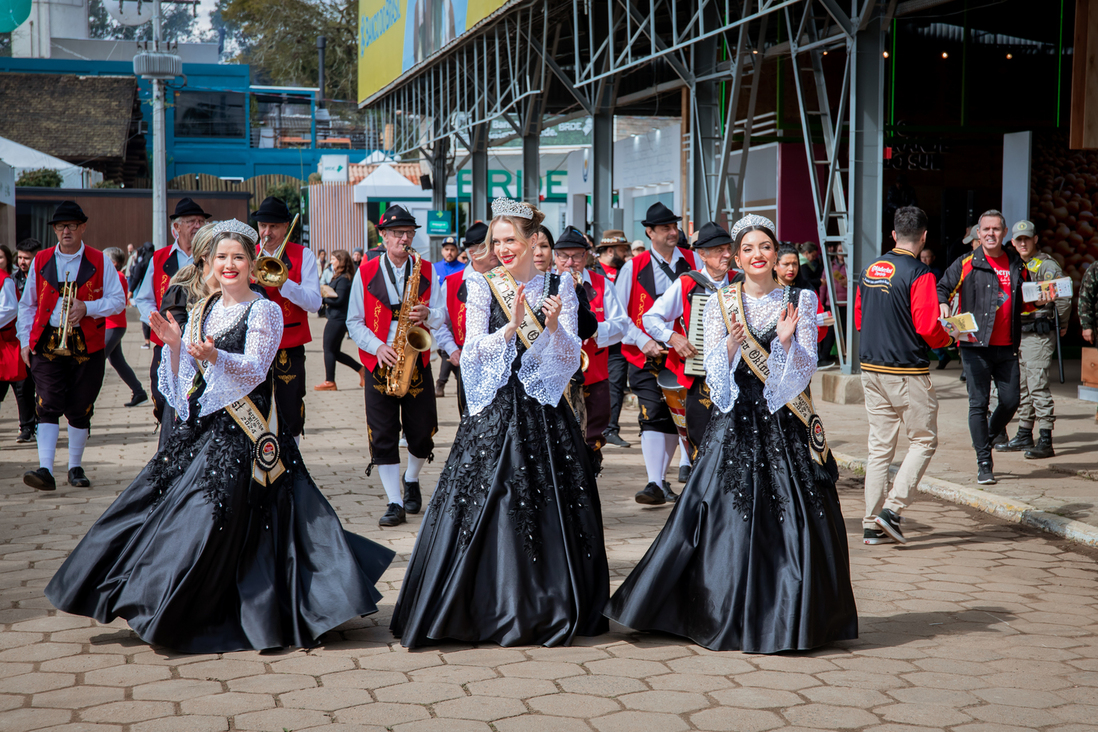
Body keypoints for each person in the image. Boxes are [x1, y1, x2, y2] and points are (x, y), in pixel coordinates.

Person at [43, 220, 394, 653]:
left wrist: (215, 355)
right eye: (221, 257)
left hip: (248, 437)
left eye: (238, 257)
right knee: (154, 506)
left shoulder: (263, 309)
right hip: (203, 429)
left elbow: (254, 369)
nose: (229, 265)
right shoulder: (202, 309)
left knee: (212, 517)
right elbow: (184, 384)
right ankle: (145, 597)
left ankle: (212, 608)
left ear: (252, 265)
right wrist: (174, 346)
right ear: (208, 262)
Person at [606, 213, 857, 653]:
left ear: (775, 252)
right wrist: (731, 346)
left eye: (764, 247)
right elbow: (713, 373)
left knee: (795, 512)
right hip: (737, 417)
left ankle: (792, 611)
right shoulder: (722, 300)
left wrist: (783, 343)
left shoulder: (800, 297)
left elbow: (804, 371)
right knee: (723, 511)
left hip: (785, 421)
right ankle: (717, 607)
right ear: (736, 257)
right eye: (748, 249)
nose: (757, 255)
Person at [390, 197, 609, 648]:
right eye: (497, 240)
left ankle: (548, 602)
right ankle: (478, 601)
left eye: (512, 240)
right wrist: (508, 329)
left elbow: (568, 360)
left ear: (533, 242)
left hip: (545, 411)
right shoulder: (481, 282)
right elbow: (471, 353)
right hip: (494, 408)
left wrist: (550, 329)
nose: (503, 248)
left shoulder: (559, 285)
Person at [855, 207, 952, 545]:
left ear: (893, 234)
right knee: (924, 440)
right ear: (923, 236)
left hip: (870, 368)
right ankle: (892, 511)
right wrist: (948, 336)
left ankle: (870, 524)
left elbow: (859, 317)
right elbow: (927, 327)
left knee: (879, 448)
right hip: (905, 371)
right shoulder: (920, 273)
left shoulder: (869, 269)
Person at [17, 201, 126, 490]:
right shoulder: (40, 260)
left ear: (83, 228)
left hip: (86, 343)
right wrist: (25, 341)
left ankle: (75, 467)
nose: (66, 231)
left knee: (80, 406)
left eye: (72, 225)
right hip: (46, 340)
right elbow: (27, 304)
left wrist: (87, 307)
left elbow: (117, 300)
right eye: (61, 226)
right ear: (54, 230)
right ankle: (45, 469)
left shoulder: (99, 260)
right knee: (48, 403)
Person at [347, 205, 444, 528]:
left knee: (421, 433)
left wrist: (429, 315)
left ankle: (412, 478)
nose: (405, 239)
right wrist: (378, 347)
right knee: (383, 434)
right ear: (384, 237)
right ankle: (394, 501)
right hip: (380, 360)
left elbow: (442, 314)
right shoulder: (365, 271)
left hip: (416, 359)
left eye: (410, 234)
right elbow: (354, 322)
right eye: (398, 234)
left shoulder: (426, 269)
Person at [938, 210, 1030, 485]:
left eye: (996, 229)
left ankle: (986, 438)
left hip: (1008, 346)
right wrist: (943, 304)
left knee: (1011, 400)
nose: (991, 233)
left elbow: (1027, 299)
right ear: (978, 234)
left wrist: (1043, 299)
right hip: (975, 346)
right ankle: (984, 462)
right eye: (986, 229)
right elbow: (943, 287)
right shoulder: (966, 262)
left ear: (1005, 234)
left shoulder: (1017, 263)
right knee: (978, 403)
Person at [640, 221, 733, 493]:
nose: (726, 255)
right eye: (718, 250)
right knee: (701, 443)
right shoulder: (688, 284)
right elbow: (651, 317)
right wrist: (673, 337)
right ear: (701, 255)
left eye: (728, 248)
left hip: (737, 377)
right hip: (700, 378)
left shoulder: (741, 281)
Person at [615, 202, 698, 504]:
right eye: (665, 228)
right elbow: (619, 315)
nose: (672, 232)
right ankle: (654, 482)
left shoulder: (693, 260)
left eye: (674, 227)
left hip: (686, 352)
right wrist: (641, 340)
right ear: (649, 232)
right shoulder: (632, 268)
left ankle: (666, 479)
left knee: (681, 414)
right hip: (645, 354)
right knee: (652, 413)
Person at [995, 220, 1072, 459]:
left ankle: (1046, 439)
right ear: (1013, 242)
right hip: (1018, 333)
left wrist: (1062, 322)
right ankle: (1024, 434)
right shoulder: (1014, 264)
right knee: (1023, 387)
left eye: (1027, 238)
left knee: (1037, 385)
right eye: (1018, 240)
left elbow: (1063, 295)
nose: (1023, 243)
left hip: (1038, 333)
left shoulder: (1046, 265)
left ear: (1035, 239)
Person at [554, 226, 628, 464]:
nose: (570, 262)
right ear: (555, 257)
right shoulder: (545, 284)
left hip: (594, 373)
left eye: (576, 255)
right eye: (564, 256)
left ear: (586, 256)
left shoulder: (602, 284)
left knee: (593, 435)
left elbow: (621, 324)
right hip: (557, 375)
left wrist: (595, 330)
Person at [135, 198, 210, 426]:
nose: (197, 226)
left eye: (201, 221)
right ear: (176, 228)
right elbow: (144, 298)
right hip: (167, 340)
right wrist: (157, 321)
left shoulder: (210, 257)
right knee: (161, 396)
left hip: (202, 340)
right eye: (191, 221)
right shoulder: (160, 257)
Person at [253, 196, 322, 442]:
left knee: (291, 409)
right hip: (253, 344)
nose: (266, 232)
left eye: (273, 226)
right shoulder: (247, 254)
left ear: (285, 227)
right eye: (262, 226)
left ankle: (293, 467)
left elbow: (315, 302)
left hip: (288, 343)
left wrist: (285, 284)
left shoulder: (304, 255)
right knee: (256, 409)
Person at [434, 222, 498, 415]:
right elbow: (439, 322)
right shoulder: (453, 283)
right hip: (468, 364)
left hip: (502, 365)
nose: (498, 250)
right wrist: (452, 350)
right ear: (473, 252)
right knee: (470, 419)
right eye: (491, 245)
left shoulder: (508, 279)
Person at [593, 230, 632, 449]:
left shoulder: (625, 272)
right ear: (610, 250)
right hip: (594, 341)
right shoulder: (592, 272)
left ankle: (612, 428)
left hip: (618, 340)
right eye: (623, 250)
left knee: (616, 383)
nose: (626, 255)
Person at [102, 248, 148, 408]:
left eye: (104, 258)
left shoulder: (118, 276)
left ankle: (85, 397)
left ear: (113, 263)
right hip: (112, 325)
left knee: (96, 362)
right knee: (117, 361)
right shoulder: (115, 275)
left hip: (113, 325)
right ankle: (139, 392)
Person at [314, 251, 364, 391]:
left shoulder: (344, 279)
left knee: (328, 349)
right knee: (334, 352)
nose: (331, 262)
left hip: (338, 318)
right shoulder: (341, 277)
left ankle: (330, 381)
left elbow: (340, 299)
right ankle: (361, 370)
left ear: (341, 261)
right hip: (337, 317)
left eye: (333, 259)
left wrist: (323, 298)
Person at [10, 238, 40, 443]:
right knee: (23, 385)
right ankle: (27, 426)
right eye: (20, 257)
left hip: (43, 338)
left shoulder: (45, 278)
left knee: (46, 386)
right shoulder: (12, 280)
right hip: (18, 340)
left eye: (27, 258)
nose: (22, 262)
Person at [434, 235, 467, 397]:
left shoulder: (463, 268)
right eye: (446, 249)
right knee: (445, 351)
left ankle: (441, 383)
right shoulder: (435, 268)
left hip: (456, 314)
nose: (449, 252)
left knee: (449, 350)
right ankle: (456, 377)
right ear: (442, 251)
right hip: (439, 314)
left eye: (452, 250)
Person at [0, 245, 29, 429]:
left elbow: (10, 309)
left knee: (21, 386)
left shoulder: (6, 280)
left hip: (9, 340)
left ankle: (27, 426)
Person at [128, 241, 155, 349]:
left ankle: (147, 342)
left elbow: (136, 278)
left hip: (143, 291)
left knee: (146, 316)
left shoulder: (142, 263)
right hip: (156, 291)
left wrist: (130, 292)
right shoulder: (156, 261)